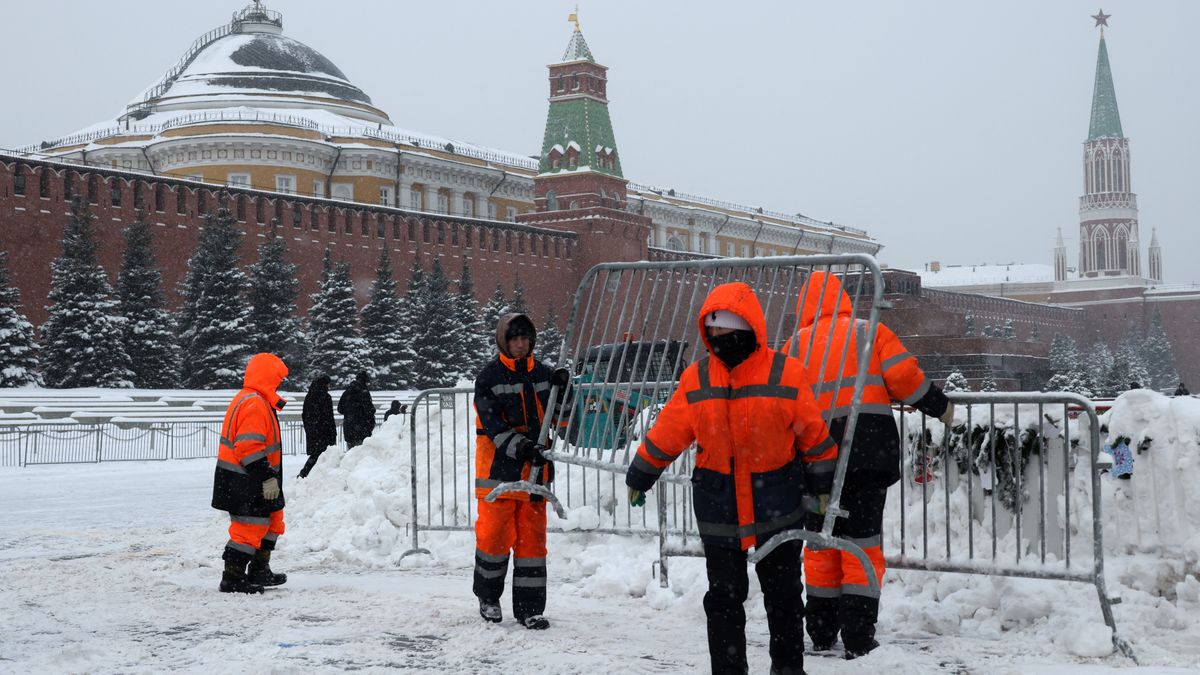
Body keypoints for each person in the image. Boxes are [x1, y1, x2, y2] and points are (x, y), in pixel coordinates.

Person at [626, 282, 838, 675]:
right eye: (714, 331)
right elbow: (670, 429)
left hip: (776, 500)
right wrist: (642, 472)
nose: (721, 339)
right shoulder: (697, 378)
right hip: (718, 502)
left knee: (784, 595)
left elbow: (813, 434)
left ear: (749, 327)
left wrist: (822, 484)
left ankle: (788, 669)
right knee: (723, 598)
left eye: (728, 330)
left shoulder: (785, 371)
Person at [788, 271, 952, 659]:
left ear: (804, 305)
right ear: (843, 299)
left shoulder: (797, 343)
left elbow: (785, 399)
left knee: (820, 541)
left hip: (816, 459)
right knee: (862, 542)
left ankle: (822, 629)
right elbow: (903, 378)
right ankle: (859, 635)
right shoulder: (867, 331)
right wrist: (938, 405)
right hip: (866, 453)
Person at [472, 312, 571, 630]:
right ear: (504, 341)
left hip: (534, 477)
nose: (519, 344)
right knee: (494, 539)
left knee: (531, 544)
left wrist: (565, 393)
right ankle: (488, 598)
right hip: (498, 475)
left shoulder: (543, 374)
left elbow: (565, 423)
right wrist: (524, 447)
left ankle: (530, 609)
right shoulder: (489, 378)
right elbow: (494, 427)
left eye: (525, 338)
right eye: (514, 338)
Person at [211, 352, 290, 594]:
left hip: (253, 478)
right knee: (249, 528)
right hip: (245, 480)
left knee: (272, 522)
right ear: (268, 377)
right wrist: (266, 477)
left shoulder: (257, 400)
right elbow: (248, 446)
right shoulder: (254, 403)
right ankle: (232, 578)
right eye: (278, 378)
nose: (280, 384)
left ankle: (259, 570)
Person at [298, 374, 336, 479]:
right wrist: (332, 433)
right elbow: (329, 417)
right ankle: (305, 474)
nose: (329, 386)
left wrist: (309, 428)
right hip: (324, 432)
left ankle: (306, 474)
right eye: (328, 384)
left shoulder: (309, 396)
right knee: (321, 455)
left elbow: (304, 415)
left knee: (316, 455)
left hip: (313, 431)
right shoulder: (325, 397)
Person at [338, 371, 376, 448]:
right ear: (364, 381)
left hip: (349, 430)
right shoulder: (364, 393)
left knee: (352, 455)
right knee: (361, 455)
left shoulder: (347, 392)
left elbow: (340, 409)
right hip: (362, 430)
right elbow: (370, 410)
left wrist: (350, 412)